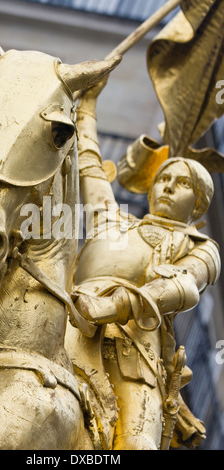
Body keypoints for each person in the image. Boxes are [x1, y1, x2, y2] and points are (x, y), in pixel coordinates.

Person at [66, 80, 221, 450]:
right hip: (69, 322)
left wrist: (114, 305)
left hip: (135, 352)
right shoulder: (114, 221)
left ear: (198, 205)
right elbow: (88, 167)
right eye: (163, 179)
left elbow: (183, 286)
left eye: (182, 183)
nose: (167, 186)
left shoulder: (201, 245)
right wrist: (86, 108)